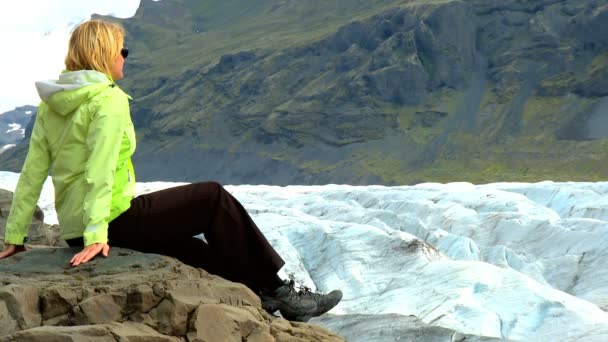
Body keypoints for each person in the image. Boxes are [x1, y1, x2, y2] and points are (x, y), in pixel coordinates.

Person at [0, 19, 341, 322]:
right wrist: (97, 235)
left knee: (192, 250)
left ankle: (261, 296)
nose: (125, 56)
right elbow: (99, 169)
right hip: (109, 220)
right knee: (211, 198)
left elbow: (32, 173)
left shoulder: (51, 105)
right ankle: (282, 292)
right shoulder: (107, 98)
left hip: (78, 228)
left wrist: (16, 237)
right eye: (122, 50)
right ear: (104, 53)